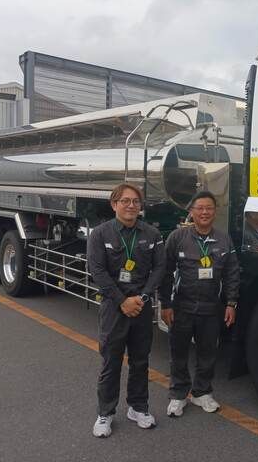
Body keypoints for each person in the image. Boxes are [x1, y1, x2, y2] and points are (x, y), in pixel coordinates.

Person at [87, 183, 165, 438]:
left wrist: (142, 297)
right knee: (111, 361)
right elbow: (97, 271)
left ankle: (138, 407)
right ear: (114, 204)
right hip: (113, 307)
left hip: (141, 306)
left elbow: (159, 268)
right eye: (125, 201)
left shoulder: (152, 234)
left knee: (140, 361)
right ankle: (105, 413)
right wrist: (122, 301)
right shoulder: (100, 234)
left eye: (135, 201)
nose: (131, 206)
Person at [159, 191, 240, 417]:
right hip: (181, 307)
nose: (205, 212)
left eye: (209, 208)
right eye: (200, 208)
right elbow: (165, 272)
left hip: (211, 308)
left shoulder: (224, 239)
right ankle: (178, 394)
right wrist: (165, 304)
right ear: (192, 211)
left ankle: (202, 392)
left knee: (208, 353)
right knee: (178, 353)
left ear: (215, 212)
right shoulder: (177, 237)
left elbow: (232, 273)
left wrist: (231, 303)